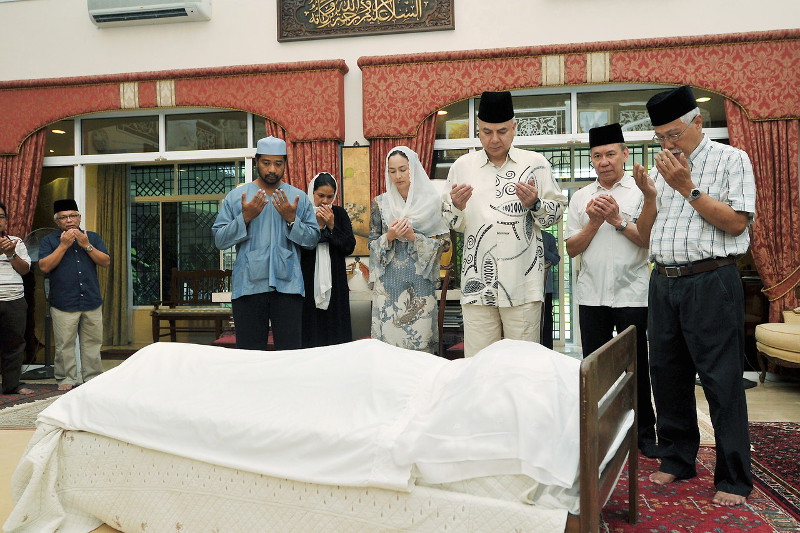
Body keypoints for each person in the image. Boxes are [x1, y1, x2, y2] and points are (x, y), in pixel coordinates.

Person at [633, 85, 755, 506]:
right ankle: (677, 459)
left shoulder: (731, 160)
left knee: (721, 381)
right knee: (665, 375)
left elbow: (737, 224)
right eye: (660, 137)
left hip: (711, 281)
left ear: (697, 122)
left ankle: (734, 477)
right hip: (663, 281)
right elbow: (646, 234)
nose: (667, 144)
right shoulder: (663, 167)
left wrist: (688, 187)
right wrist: (651, 196)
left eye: (673, 134)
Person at [442, 91, 567, 356]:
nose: (494, 139)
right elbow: (451, 222)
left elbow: (555, 216)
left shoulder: (535, 165)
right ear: (478, 130)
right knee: (479, 365)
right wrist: (456, 206)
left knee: (521, 366)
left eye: (502, 131)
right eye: (487, 132)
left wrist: (535, 203)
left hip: (522, 284)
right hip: (478, 285)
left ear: (514, 128)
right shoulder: (463, 167)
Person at [565, 122, 658, 458]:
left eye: (609, 154)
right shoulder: (580, 197)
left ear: (624, 154)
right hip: (591, 297)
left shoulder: (642, 193)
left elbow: (647, 242)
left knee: (637, 368)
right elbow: (572, 249)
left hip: (633, 294)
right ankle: (601, 434)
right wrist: (593, 222)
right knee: (598, 372)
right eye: (597, 156)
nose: (603, 161)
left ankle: (644, 436)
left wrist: (618, 219)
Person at [212, 136, 320, 351]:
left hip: (288, 287)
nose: (272, 169)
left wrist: (292, 219)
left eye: (278, 164)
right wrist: (245, 217)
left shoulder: (298, 198)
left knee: (290, 355)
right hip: (248, 288)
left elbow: (312, 241)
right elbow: (220, 240)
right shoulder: (237, 197)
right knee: (249, 355)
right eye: (266, 163)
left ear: (285, 165)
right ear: (256, 162)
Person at [369, 146, 450, 353]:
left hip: (420, 288)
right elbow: (372, 244)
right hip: (388, 289)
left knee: (420, 348)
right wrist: (390, 236)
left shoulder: (431, 202)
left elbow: (446, 243)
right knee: (389, 351)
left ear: (413, 169)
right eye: (392, 171)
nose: (398, 176)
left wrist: (414, 238)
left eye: (403, 169)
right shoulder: (381, 204)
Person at [38, 199, 110, 391]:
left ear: (79, 217)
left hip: (91, 299)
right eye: (64, 217)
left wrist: (86, 245)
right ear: (57, 221)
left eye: (73, 216)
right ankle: (66, 379)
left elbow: (105, 261)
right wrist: (63, 246)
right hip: (63, 300)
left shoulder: (92, 237)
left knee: (92, 343)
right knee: (65, 345)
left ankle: (93, 377)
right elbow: (44, 266)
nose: (69, 220)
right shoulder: (49, 241)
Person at [300, 172, 356, 348]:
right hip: (308, 281)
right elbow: (300, 248)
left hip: (335, 283)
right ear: (312, 193)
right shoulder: (303, 213)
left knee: (336, 334)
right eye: (321, 196)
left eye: (330, 196)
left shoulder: (339, 213)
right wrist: (318, 226)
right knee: (311, 331)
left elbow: (348, 246)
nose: (325, 201)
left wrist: (332, 225)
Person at [0, 201, 34, 396]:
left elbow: (24, 270)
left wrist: (10, 253)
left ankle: (11, 385)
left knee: (14, 344)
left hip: (14, 300)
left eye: (1, 217)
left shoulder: (16, 241)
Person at [540, 230, 560, 350]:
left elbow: (556, 260)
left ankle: (547, 350)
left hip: (546, 287)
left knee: (547, 320)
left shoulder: (548, 237)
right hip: (524, 287)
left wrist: (542, 249)